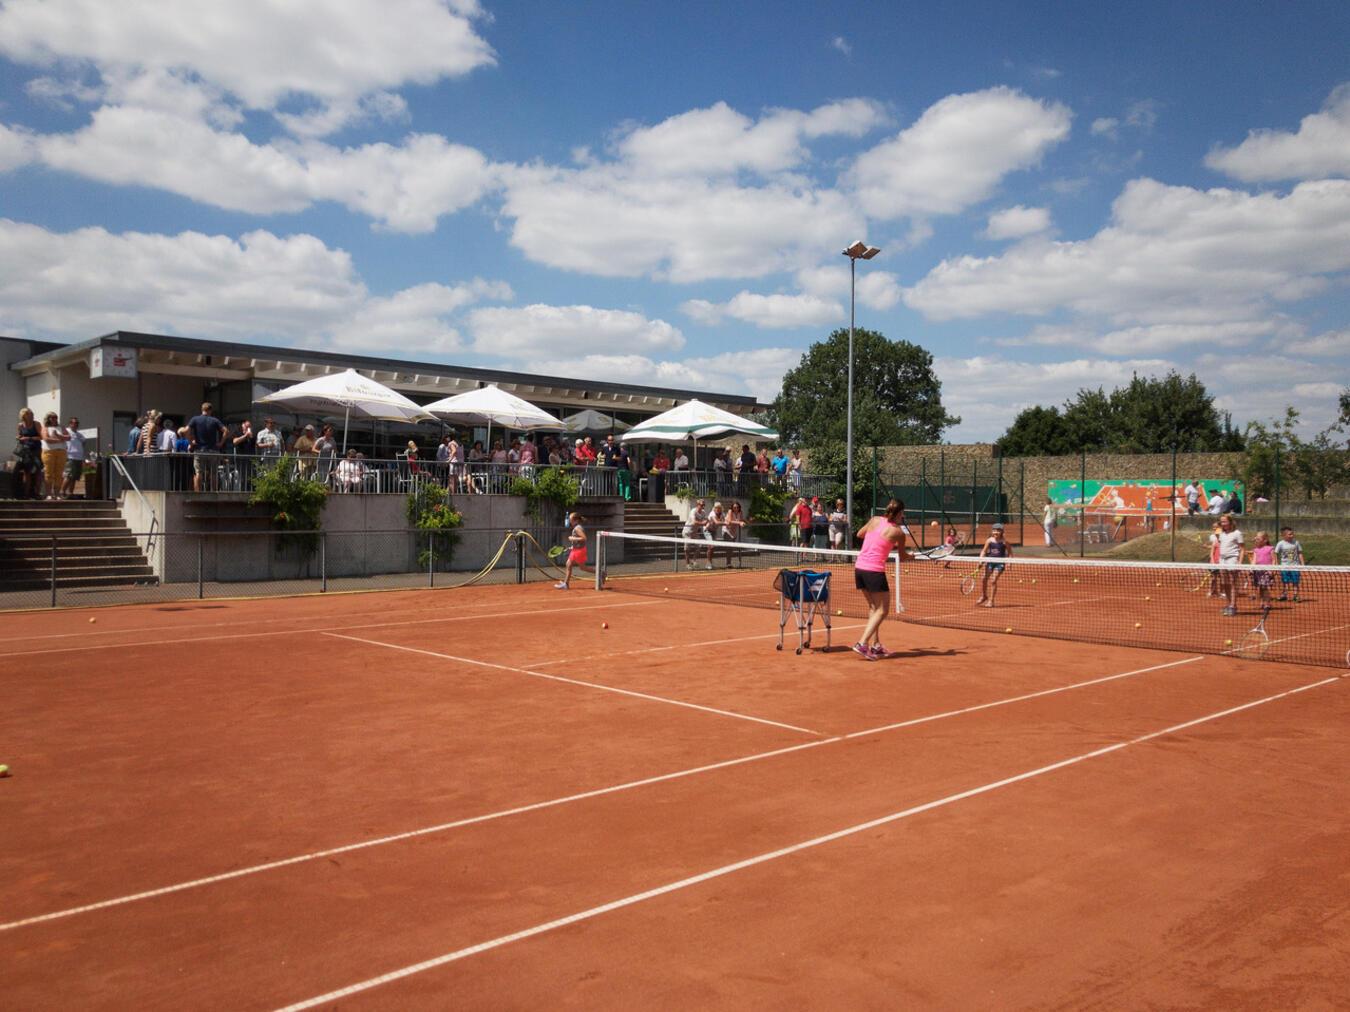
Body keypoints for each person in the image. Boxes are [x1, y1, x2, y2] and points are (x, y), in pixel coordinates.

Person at [852, 499, 912, 659]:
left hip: (859, 569)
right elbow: (902, 556)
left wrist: (876, 538)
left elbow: (859, 534)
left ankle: (876, 645)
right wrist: (910, 556)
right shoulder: (898, 532)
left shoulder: (875, 520)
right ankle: (862, 644)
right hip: (874, 571)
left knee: (874, 608)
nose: (903, 516)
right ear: (899, 513)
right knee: (883, 610)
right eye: (902, 513)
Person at [187, 401, 227, 492]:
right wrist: (220, 443)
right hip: (213, 450)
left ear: (202, 409)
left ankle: (198, 492)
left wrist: (190, 443)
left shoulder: (195, 419)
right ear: (210, 410)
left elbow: (186, 431)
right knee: (213, 473)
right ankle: (214, 492)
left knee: (198, 472)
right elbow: (226, 431)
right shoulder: (215, 420)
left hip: (199, 450)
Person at [1210, 513, 1244, 616]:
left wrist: (1239, 562)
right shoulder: (1221, 534)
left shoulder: (1237, 533)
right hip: (1222, 560)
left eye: (1224, 521)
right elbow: (1221, 545)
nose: (1222, 523)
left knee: (1233, 582)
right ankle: (1229, 604)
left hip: (1232, 559)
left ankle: (1233, 605)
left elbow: (1242, 549)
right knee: (1224, 583)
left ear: (1230, 522)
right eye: (1221, 522)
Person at [975, 522, 1012, 608]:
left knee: (993, 580)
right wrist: (980, 561)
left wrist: (1009, 563)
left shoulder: (1005, 542)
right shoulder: (989, 540)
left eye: (998, 531)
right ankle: (984, 596)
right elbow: (984, 551)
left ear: (1002, 532)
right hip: (990, 562)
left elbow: (1010, 553)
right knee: (984, 578)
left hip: (1000, 563)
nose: (996, 532)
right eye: (994, 530)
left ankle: (991, 600)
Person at [39, 412, 69, 500]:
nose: (54, 419)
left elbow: (69, 437)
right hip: (49, 452)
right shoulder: (45, 428)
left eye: (55, 417)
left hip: (61, 452)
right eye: (52, 417)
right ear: (48, 419)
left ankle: (57, 494)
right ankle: (49, 493)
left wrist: (59, 436)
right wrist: (60, 439)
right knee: (49, 473)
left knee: (59, 474)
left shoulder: (62, 427)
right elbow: (46, 439)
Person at [554, 511, 588, 590]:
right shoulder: (577, 527)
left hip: (579, 551)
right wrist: (572, 546)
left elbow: (584, 538)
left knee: (581, 567)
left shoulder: (577, 528)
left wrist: (573, 538)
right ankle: (566, 584)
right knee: (569, 565)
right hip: (577, 549)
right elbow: (579, 541)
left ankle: (601, 573)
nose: (569, 521)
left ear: (575, 520)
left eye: (570, 519)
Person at [14, 407, 43, 499]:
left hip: (36, 450)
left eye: (32, 414)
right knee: (27, 472)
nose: (32, 415)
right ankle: (27, 494)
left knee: (38, 471)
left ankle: (37, 493)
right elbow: (19, 435)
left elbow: (42, 437)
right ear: (24, 416)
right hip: (25, 451)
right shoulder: (20, 425)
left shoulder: (36, 424)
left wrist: (29, 438)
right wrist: (18, 437)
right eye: (30, 414)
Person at [1274, 526, 1305, 603]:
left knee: (1295, 582)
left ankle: (1295, 596)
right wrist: (1276, 563)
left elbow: (1300, 553)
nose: (1292, 535)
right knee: (1285, 581)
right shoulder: (1280, 544)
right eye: (1290, 534)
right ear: (1284, 535)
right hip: (1284, 566)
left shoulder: (1296, 542)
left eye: (1292, 534)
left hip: (1295, 566)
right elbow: (1275, 554)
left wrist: (1303, 564)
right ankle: (1284, 595)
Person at [682, 498, 714, 569]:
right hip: (687, 532)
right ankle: (687, 564)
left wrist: (709, 522)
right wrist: (703, 523)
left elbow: (706, 520)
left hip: (695, 532)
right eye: (702, 505)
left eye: (704, 505)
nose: (703, 506)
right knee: (687, 549)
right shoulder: (693, 511)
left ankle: (693, 560)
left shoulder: (703, 512)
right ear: (698, 505)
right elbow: (694, 522)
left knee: (699, 546)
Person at [1250, 532, 1276, 612]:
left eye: (1259, 538)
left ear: (1265, 540)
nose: (1257, 540)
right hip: (1258, 572)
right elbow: (1254, 560)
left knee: (1265, 588)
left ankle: (1267, 603)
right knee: (1260, 588)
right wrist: (1251, 568)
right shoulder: (1255, 550)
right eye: (1256, 538)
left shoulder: (1270, 548)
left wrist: (1272, 570)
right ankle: (1262, 601)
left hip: (1266, 572)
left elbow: (1274, 559)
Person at [60, 416, 85, 499]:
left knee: (75, 476)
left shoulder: (79, 434)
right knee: (69, 475)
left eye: (77, 423)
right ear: (70, 424)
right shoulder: (66, 432)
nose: (76, 424)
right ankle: (62, 492)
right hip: (70, 456)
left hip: (79, 457)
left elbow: (83, 442)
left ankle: (71, 493)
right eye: (74, 423)